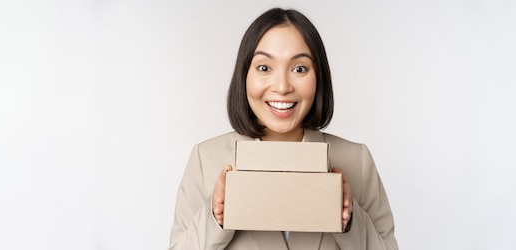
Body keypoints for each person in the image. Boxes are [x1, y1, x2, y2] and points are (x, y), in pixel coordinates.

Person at [169, 8, 398, 250]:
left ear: (318, 77)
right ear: (244, 74)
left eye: (299, 69)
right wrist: (215, 217)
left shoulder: (356, 161)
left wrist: (350, 219)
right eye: (264, 68)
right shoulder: (206, 160)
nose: (282, 87)